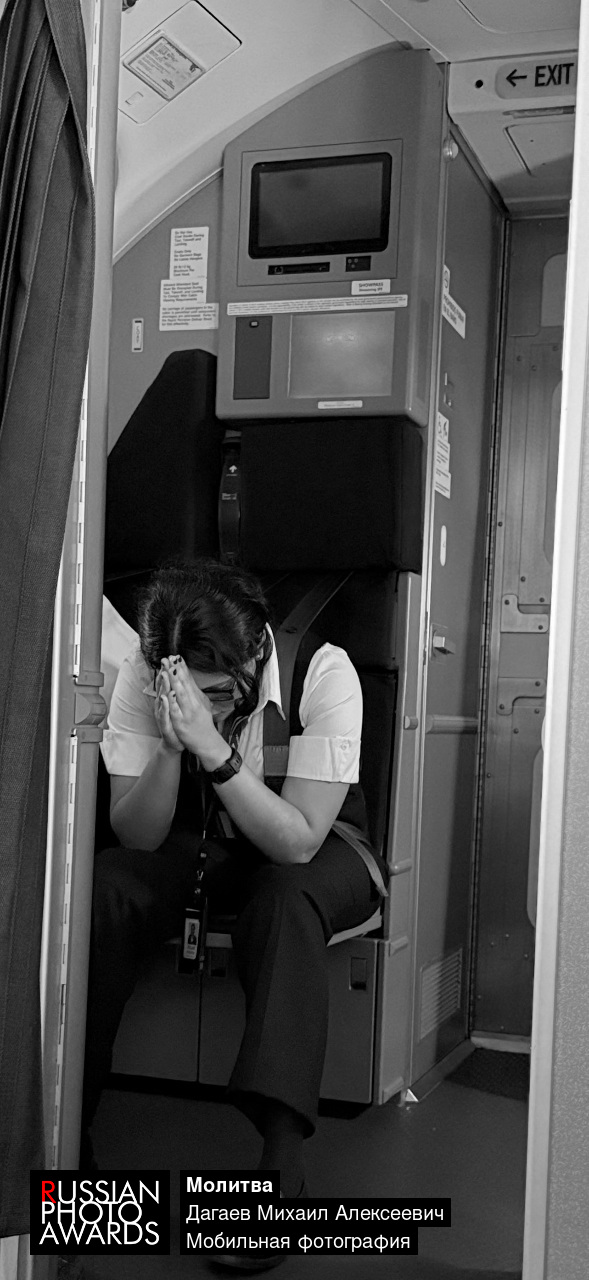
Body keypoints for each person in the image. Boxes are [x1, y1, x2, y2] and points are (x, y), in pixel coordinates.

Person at [83, 558, 387, 1214]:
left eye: (221, 694)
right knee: (107, 885)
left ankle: (280, 1170)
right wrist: (171, 747)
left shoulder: (323, 672)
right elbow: (138, 836)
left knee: (285, 900)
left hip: (314, 844)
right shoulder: (144, 674)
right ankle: (69, 1130)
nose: (206, 708)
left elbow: (298, 841)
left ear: (256, 653)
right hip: (206, 837)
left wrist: (213, 750)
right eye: (191, 694)